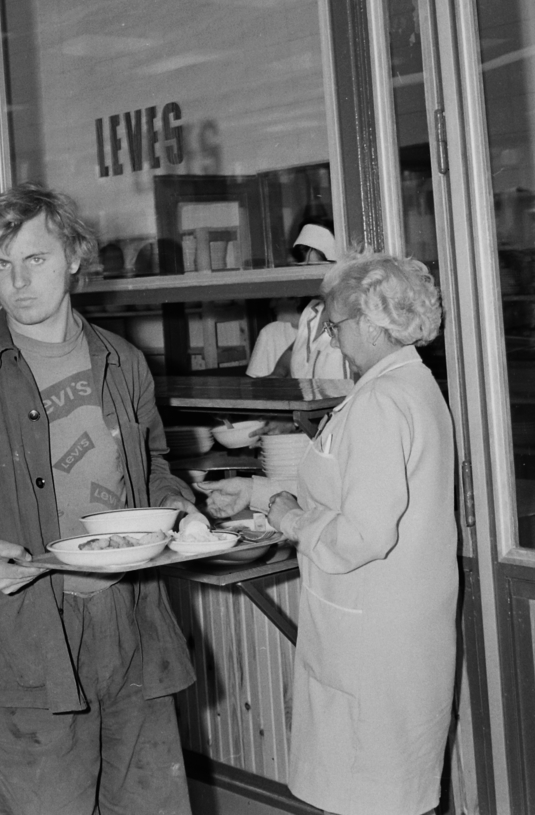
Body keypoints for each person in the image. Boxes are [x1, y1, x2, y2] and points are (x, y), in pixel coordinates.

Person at [0, 182, 208, 815]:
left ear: (74, 256)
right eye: (1, 266)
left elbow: (155, 468)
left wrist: (179, 509)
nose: (18, 281)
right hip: (25, 640)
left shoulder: (123, 362)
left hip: (135, 631)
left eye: (35, 259)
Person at [207, 253, 457, 815]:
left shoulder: (379, 401)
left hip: (372, 638)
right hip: (395, 628)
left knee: (370, 793)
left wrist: (281, 513)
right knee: (389, 790)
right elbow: (349, 481)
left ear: (371, 322)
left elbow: (360, 536)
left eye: (336, 324)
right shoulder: (411, 385)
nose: (332, 337)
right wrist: (257, 491)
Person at [246, 221, 347, 379]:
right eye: (304, 268)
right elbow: (293, 352)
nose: (308, 278)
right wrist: (277, 374)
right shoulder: (312, 311)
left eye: (316, 268)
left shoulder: (352, 316)